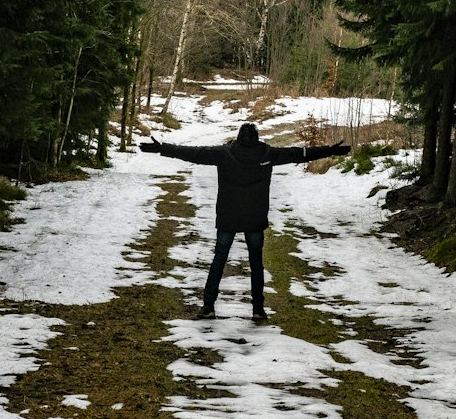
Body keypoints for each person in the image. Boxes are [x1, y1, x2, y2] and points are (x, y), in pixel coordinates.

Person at [140, 122, 350, 322]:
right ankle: (258, 310)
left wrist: (162, 148)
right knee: (256, 262)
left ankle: (208, 307)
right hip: (255, 217)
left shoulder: (224, 153)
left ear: (238, 138)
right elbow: (298, 154)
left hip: (227, 216)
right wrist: (329, 150)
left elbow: (193, 153)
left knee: (219, 259)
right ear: (257, 138)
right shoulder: (267, 154)